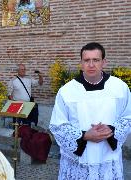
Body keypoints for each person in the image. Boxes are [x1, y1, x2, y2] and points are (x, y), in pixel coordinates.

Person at [49, 42, 131, 179]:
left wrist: (111, 130)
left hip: (108, 158)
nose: (91, 65)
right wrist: (85, 136)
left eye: (96, 60)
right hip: (78, 162)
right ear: (81, 63)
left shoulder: (120, 88)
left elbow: (128, 117)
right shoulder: (67, 91)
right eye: (87, 60)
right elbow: (58, 125)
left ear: (104, 62)